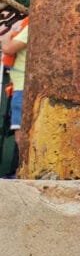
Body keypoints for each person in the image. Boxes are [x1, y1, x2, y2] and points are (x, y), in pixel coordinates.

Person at [0, 17, 28, 155]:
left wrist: (7, 35)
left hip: (22, 87)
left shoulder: (30, 26)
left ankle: (23, 167)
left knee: (20, 131)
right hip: (20, 86)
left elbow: (8, 49)